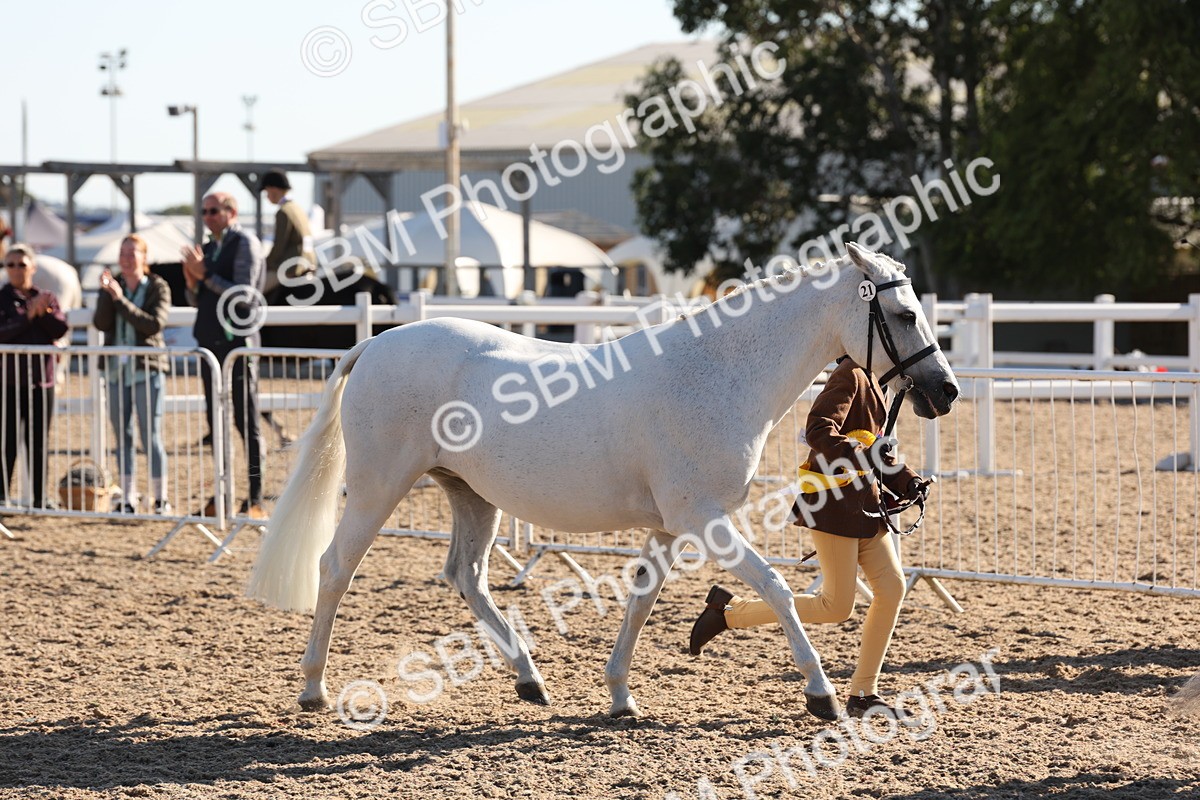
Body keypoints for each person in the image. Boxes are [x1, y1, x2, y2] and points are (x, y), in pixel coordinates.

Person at [688, 355, 932, 720]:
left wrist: (906, 479)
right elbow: (819, 428)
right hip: (833, 508)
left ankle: (863, 694)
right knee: (835, 606)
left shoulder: (875, 380)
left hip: (865, 506)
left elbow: (877, 450)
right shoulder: (850, 375)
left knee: (892, 588)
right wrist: (864, 454)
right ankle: (730, 613)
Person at [181, 192, 266, 519]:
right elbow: (196, 298)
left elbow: (244, 295)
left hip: (238, 343)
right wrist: (192, 281)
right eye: (204, 211)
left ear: (232, 212)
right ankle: (222, 494)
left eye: (214, 210)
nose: (208, 216)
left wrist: (203, 276)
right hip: (210, 341)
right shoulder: (212, 247)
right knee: (215, 421)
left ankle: (255, 497)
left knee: (247, 421)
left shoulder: (245, 243)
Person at [93, 234, 172, 514]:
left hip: (146, 369)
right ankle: (128, 497)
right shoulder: (113, 285)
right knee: (122, 436)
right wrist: (107, 294)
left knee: (150, 434)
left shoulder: (157, 287)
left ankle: (160, 498)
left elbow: (152, 324)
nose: (126, 258)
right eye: (122, 253)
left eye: (132, 253)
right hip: (117, 371)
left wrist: (119, 299)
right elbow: (101, 323)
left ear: (144, 258)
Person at [0, 244, 68, 508]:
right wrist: (30, 314)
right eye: (11, 264)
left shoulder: (46, 297)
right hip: (9, 381)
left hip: (42, 380)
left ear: (33, 267)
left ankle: (39, 498)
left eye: (21, 264)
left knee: (38, 441)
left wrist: (44, 312)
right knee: (7, 441)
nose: (17, 270)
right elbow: (3, 332)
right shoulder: (3, 299)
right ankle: (3, 497)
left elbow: (60, 329)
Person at [260, 170, 314, 293]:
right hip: (308, 263)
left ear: (273, 189)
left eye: (266, 191)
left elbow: (279, 246)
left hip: (290, 268)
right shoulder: (298, 209)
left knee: (255, 291)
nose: (266, 196)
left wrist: (266, 264)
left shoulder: (283, 212)